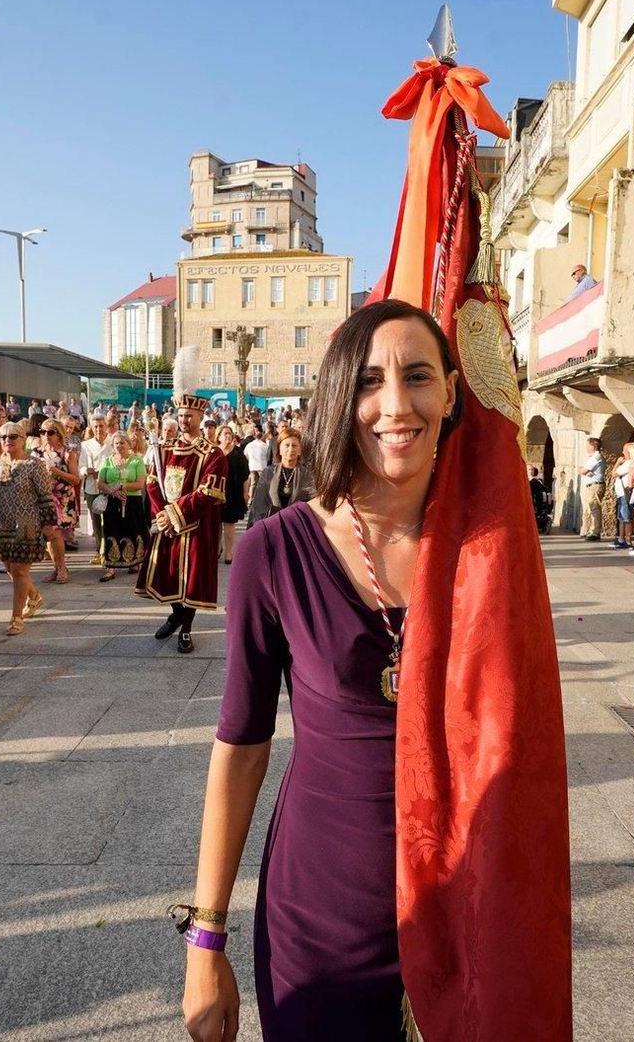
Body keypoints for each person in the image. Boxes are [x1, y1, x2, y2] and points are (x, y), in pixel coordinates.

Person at [178, 300, 459, 1040]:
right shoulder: (273, 552)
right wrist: (205, 940)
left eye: (418, 376)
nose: (395, 405)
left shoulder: (487, 550)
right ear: (339, 397)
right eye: (369, 381)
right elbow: (241, 748)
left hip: (468, 906)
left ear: (451, 392)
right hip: (323, 917)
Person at [135, 393, 225, 655]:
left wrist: (175, 513)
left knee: (192, 580)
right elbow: (152, 483)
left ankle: (186, 627)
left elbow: (209, 492)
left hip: (196, 526)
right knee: (168, 574)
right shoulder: (164, 449)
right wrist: (162, 515)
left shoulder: (213, 454)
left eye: (189, 416)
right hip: (167, 525)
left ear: (200, 417)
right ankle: (175, 614)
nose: (184, 420)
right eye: (181, 415)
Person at [0, 423, 52, 635]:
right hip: (2, 523)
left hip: (27, 522)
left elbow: (45, 496)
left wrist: (48, 524)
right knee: (10, 568)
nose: (8, 440)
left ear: (23, 439)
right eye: (4, 436)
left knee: (20, 570)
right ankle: (34, 596)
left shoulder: (35, 464)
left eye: (13, 436)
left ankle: (16, 618)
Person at [95, 431, 147, 582]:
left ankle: (134, 562)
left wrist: (123, 487)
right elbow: (100, 483)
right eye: (116, 443)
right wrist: (113, 490)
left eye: (122, 443)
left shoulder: (137, 461)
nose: (119, 446)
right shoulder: (107, 460)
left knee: (132, 529)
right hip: (112, 500)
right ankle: (110, 567)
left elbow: (140, 483)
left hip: (132, 501)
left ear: (128, 444)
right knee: (111, 530)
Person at [33, 420, 80, 582]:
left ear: (59, 434)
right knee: (48, 534)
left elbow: (75, 479)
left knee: (56, 534)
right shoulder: (37, 453)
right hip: (44, 498)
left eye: (51, 432)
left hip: (63, 498)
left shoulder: (68, 452)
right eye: (43, 432)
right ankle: (57, 568)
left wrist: (56, 471)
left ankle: (61, 569)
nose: (46, 435)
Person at [245, 429, 312, 525]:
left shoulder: (307, 475)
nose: (290, 449)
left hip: (297, 525)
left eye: (294, 445)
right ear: (279, 449)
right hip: (272, 524)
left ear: (300, 450)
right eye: (287, 445)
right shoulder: (268, 473)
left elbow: (312, 504)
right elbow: (259, 505)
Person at [79, 412, 114, 567]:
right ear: (91, 428)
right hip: (92, 488)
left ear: (106, 427)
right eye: (96, 427)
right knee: (96, 522)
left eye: (101, 426)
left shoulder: (113, 442)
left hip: (110, 487)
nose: (99, 429)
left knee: (111, 521)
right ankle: (100, 552)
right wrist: (86, 471)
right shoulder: (85, 445)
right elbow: (80, 467)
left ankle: (111, 552)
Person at [216, 426, 248, 563]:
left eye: (230, 433)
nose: (228, 436)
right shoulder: (214, 451)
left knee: (229, 523)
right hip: (216, 491)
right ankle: (217, 547)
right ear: (219, 436)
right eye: (225, 434)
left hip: (233, 492)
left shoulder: (238, 453)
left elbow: (245, 475)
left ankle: (228, 552)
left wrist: (246, 493)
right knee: (216, 522)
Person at [578, 437, 604, 541]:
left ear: (593, 446)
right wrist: (582, 470)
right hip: (590, 486)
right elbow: (582, 469)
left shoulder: (596, 457)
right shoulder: (592, 457)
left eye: (588, 445)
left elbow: (583, 470)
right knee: (588, 509)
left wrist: (582, 470)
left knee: (594, 508)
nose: (586, 447)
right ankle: (586, 530)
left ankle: (595, 532)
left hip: (594, 486)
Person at [610, 452, 634, 551]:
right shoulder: (627, 463)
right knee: (621, 518)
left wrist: (617, 462)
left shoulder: (629, 463)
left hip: (625, 494)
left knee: (626, 518)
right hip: (621, 494)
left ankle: (628, 541)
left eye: (624, 451)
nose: (623, 453)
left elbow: (614, 473)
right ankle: (621, 539)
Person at [529, 465, 552, 534]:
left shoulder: (537, 482)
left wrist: (548, 493)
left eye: (532, 469)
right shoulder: (523, 481)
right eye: (529, 470)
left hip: (536, 500)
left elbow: (544, 488)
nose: (530, 471)